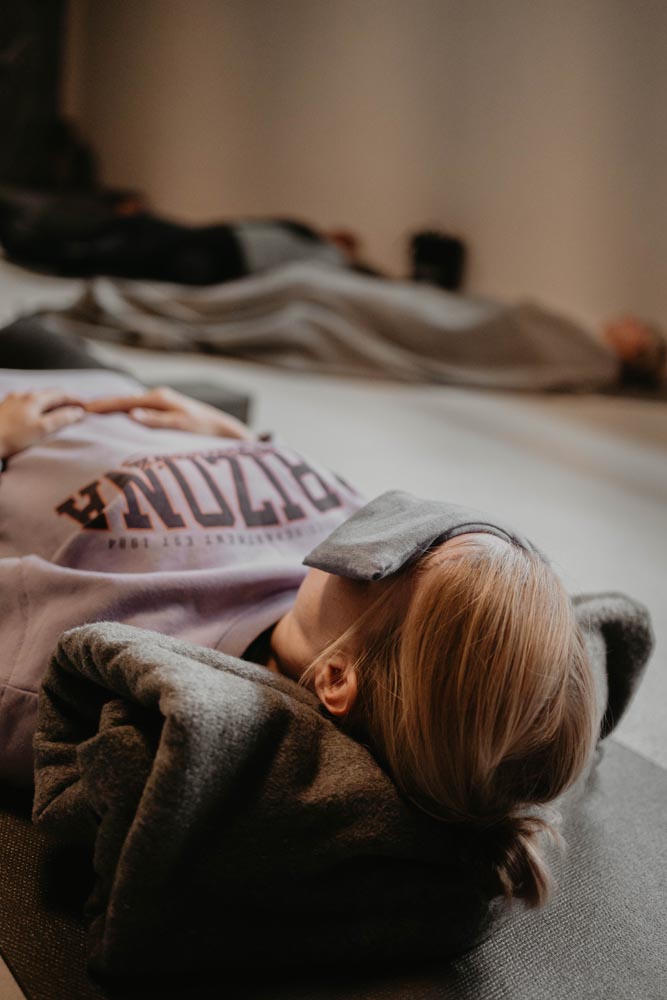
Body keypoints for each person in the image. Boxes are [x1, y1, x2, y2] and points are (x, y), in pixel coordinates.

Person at [0, 362, 597, 910]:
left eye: (388, 551)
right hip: (148, 409)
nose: (365, 526)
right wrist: (242, 440)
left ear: (337, 676)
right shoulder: (367, 599)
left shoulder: (103, 649)